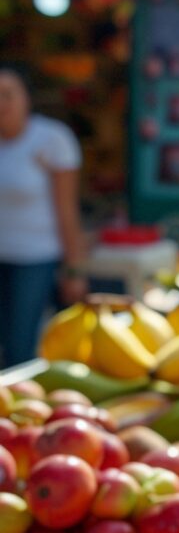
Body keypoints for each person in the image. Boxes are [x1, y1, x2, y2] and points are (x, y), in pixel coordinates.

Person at [0, 65, 87, 367]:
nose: (2, 103)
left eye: (8, 95)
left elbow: (66, 208)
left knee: (19, 346)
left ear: (27, 98)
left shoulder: (52, 139)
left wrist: (74, 267)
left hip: (34, 259)